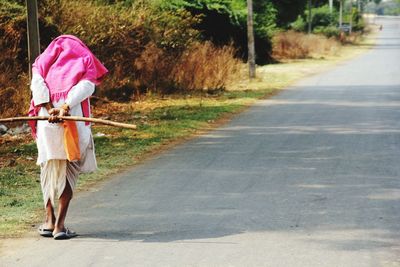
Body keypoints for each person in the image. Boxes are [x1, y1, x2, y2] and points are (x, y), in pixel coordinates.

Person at [28, 35, 108, 240]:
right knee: (70, 169)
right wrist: (64, 107)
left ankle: (48, 221)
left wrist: (49, 108)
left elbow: (37, 85)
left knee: (47, 166)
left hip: (45, 120)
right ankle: (60, 226)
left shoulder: (42, 62)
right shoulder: (85, 59)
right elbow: (87, 87)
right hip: (73, 120)